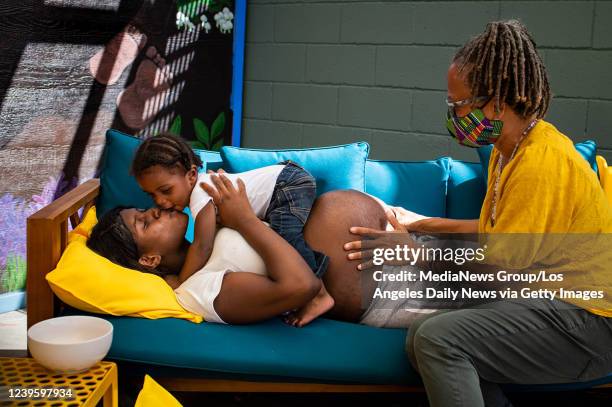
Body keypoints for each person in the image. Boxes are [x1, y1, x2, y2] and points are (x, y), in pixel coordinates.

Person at [344, 20, 612, 407]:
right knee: (423, 335)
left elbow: (498, 265)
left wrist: (413, 250)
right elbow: (498, 231)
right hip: (555, 305)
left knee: (439, 340)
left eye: (459, 103)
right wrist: (420, 222)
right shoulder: (510, 152)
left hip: (588, 322)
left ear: (497, 99)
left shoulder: (540, 161)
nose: (453, 114)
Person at [87, 177, 399, 325]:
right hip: (389, 286)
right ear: (149, 259)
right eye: (143, 222)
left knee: (449, 243)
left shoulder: (207, 231)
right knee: (447, 319)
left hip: (395, 233)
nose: (155, 209)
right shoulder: (197, 290)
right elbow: (300, 285)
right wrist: (245, 220)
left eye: (145, 209)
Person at [129, 133, 333, 326]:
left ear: (191, 175)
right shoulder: (204, 191)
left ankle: (320, 295)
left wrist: (182, 280)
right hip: (285, 179)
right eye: (151, 195)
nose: (160, 202)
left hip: (286, 185)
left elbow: (202, 246)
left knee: (288, 238)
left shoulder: (201, 192)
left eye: (165, 190)